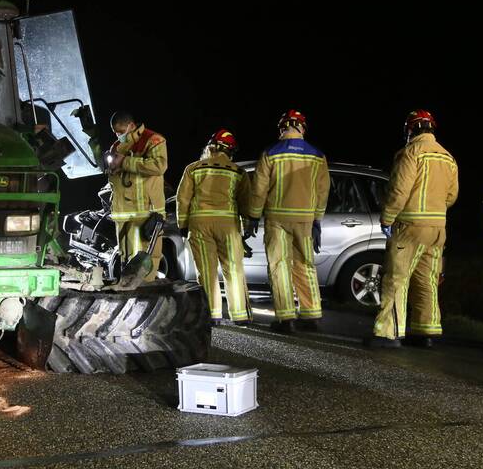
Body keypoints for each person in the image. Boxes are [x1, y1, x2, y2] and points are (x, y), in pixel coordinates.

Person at [367, 109, 458, 348]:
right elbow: (452, 195)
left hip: (410, 226)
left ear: (410, 130)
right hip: (438, 228)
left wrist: (387, 218)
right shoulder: (448, 157)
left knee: (396, 279)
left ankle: (389, 333)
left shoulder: (410, 153)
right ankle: (426, 331)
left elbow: (399, 191)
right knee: (427, 280)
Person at [245, 110, 329, 333]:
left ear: (282, 128)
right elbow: (323, 191)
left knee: (279, 266)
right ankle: (312, 316)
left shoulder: (271, 153)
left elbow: (259, 189)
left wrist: (254, 215)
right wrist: (317, 220)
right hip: (305, 220)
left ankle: (286, 318)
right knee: (305, 266)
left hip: (277, 219)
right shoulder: (317, 155)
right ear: (302, 128)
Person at [176, 129, 252, 324]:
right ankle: (240, 315)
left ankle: (213, 314)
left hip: (200, 225)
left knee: (207, 272)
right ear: (231, 151)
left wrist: (182, 225)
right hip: (228, 226)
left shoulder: (193, 168)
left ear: (210, 147)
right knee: (233, 269)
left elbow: (182, 200)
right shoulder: (238, 172)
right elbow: (246, 202)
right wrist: (248, 224)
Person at [106, 111, 168, 283]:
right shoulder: (116, 146)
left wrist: (125, 162)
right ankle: (130, 293)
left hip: (146, 212)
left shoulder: (153, 140)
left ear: (131, 126)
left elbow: (159, 166)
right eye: (115, 132)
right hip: (123, 213)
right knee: (126, 258)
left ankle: (144, 292)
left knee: (146, 257)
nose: (119, 136)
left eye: (121, 131)